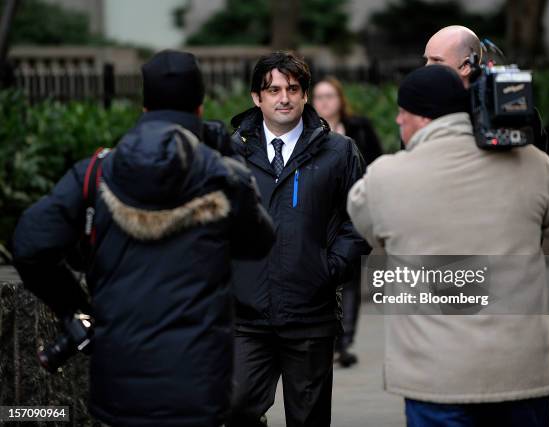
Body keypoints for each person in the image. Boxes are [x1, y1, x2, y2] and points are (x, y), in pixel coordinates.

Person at [12, 50, 276, 427]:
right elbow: (260, 241)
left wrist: (76, 308)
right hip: (198, 384)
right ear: (200, 108)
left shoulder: (95, 173)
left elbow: (29, 244)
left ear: (143, 107)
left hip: (119, 382)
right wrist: (229, 160)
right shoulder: (221, 176)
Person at [347, 64, 549, 427]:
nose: (397, 121)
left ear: (421, 117)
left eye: (402, 112)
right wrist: (533, 145)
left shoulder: (385, 177)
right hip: (521, 376)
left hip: (436, 381)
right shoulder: (530, 164)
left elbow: (363, 222)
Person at [228, 51, 369, 427]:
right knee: (235, 406)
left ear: (305, 94)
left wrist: (329, 268)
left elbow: (361, 221)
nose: (284, 98)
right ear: (257, 98)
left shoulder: (339, 151)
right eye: (272, 90)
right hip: (247, 317)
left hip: (310, 316)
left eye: (292, 88)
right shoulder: (232, 153)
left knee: (309, 419)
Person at [312, 76, 382, 367]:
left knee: (350, 278)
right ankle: (328, 339)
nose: (325, 102)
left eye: (330, 96)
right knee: (323, 279)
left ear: (340, 99)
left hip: (354, 215)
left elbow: (377, 163)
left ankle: (345, 342)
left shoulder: (360, 129)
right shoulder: (307, 132)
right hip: (320, 217)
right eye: (319, 96)